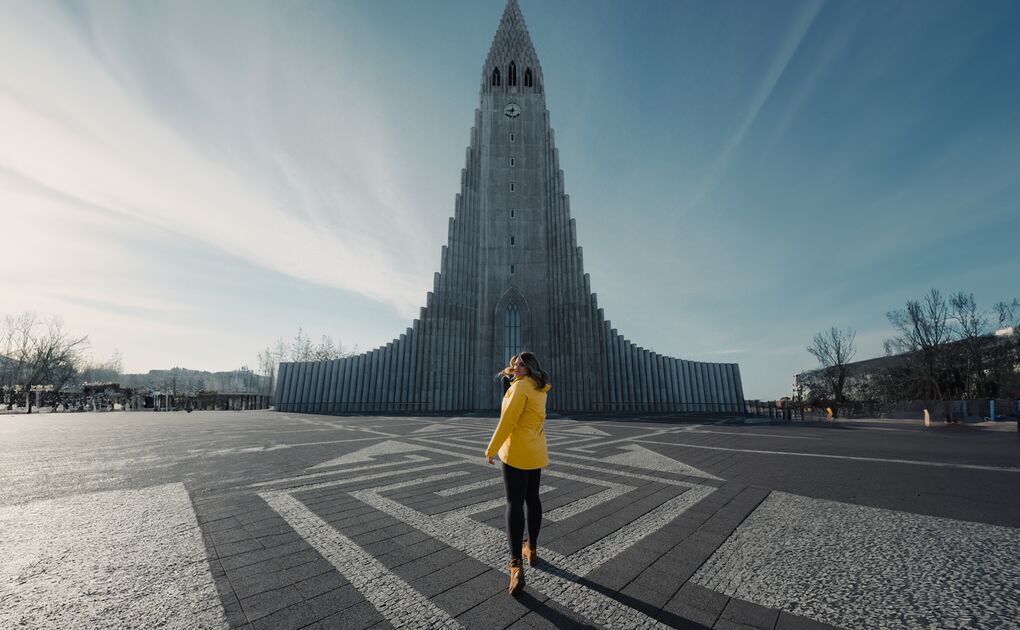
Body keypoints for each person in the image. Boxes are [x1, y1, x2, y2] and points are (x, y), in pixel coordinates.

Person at [485, 352, 552, 595]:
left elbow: (507, 421)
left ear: (530, 366)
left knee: (514, 503)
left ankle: (515, 565)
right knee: (532, 499)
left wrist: (492, 448)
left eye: (521, 364)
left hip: (516, 452)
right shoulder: (540, 388)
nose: (517, 366)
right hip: (535, 451)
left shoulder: (520, 388)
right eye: (515, 364)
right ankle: (531, 548)